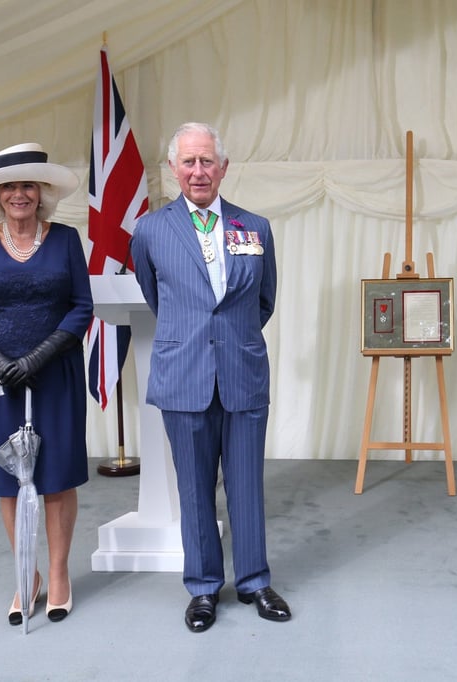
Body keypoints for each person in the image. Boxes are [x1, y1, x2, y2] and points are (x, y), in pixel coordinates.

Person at [130, 122, 289, 633]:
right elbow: (157, 297)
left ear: (223, 167)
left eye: (207, 162)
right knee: (195, 490)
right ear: (174, 168)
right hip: (184, 376)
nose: (198, 171)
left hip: (242, 372)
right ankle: (202, 588)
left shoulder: (255, 227)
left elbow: (263, 300)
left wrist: (228, 338)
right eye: (189, 162)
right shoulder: (152, 231)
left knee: (246, 485)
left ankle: (254, 581)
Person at [0, 143, 92, 626]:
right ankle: (25, 575)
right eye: (9, 186)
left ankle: (57, 575)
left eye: (27, 184)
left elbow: (81, 306)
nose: (19, 194)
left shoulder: (66, 239)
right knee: (9, 479)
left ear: (43, 191)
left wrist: (38, 357)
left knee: (55, 475)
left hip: (56, 373)